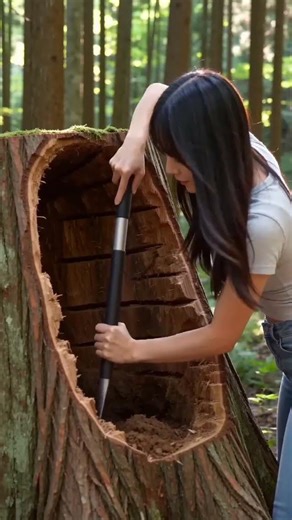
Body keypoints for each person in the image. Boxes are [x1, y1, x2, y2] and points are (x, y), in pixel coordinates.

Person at [93, 69, 292, 520]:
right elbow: (160, 91)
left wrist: (133, 350)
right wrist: (135, 142)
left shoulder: (263, 223)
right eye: (167, 153)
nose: (172, 169)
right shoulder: (246, 151)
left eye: (179, 156)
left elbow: (221, 337)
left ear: (209, 149)